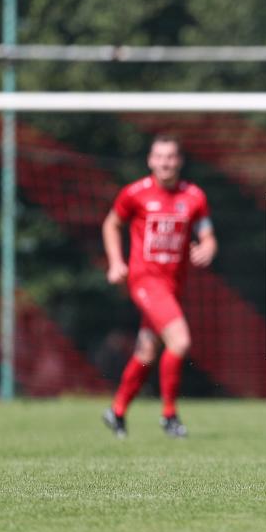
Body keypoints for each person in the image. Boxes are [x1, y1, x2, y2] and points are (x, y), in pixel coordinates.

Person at [101, 134, 217, 438]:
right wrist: (115, 262)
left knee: (148, 351)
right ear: (150, 160)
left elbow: (207, 234)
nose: (165, 163)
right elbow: (111, 224)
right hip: (145, 280)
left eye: (170, 157)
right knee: (179, 341)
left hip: (173, 284)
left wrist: (208, 247)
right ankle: (169, 416)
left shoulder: (194, 196)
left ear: (179, 161)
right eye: (159, 157)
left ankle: (116, 412)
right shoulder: (135, 193)